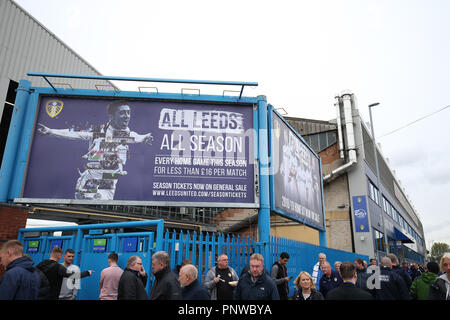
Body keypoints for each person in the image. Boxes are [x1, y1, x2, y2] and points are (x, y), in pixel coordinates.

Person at [36, 100, 154, 200]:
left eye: (128, 113)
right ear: (112, 116)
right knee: (90, 206)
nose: (127, 116)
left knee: (100, 216)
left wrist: (144, 138)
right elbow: (75, 134)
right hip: (91, 179)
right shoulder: (99, 131)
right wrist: (51, 132)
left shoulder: (127, 133)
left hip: (109, 182)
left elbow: (136, 136)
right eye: (122, 113)